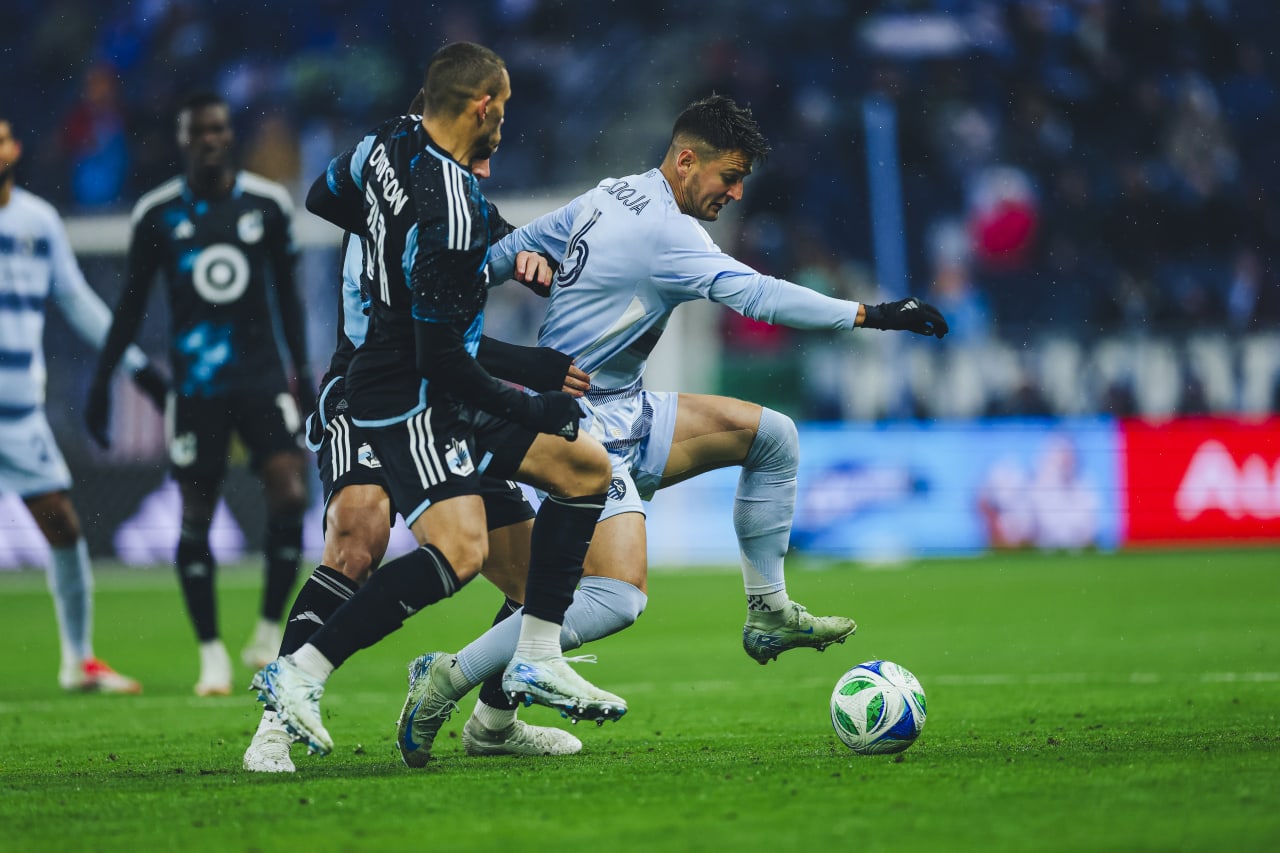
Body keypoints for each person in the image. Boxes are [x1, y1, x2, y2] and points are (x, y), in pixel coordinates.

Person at [395, 94, 950, 762]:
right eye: (729, 176)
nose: (737, 192)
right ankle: (446, 676)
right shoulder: (670, 235)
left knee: (773, 437)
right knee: (615, 596)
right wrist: (876, 313)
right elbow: (763, 297)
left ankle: (766, 609)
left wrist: (473, 287)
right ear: (687, 160)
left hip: (626, 407)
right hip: (575, 425)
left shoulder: (609, 194)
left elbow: (510, 250)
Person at [249, 42, 626, 759]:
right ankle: (294, 682)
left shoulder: (390, 143)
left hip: (426, 370)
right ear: (481, 106)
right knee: (414, 541)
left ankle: (511, 696)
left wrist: (406, 245)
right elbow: (442, 354)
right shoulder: (448, 214)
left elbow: (328, 196)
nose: (504, 130)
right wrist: (533, 401)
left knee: (579, 480)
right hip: (402, 385)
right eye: (503, 112)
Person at [87, 92, 313, 697]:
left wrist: (305, 373)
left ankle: (267, 630)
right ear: (184, 141)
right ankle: (211, 654)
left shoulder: (265, 205)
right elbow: (130, 308)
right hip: (196, 391)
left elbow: (288, 299)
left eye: (218, 130)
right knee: (196, 517)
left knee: (290, 496)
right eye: (198, 133)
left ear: (228, 135)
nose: (210, 140)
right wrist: (101, 381)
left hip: (263, 379)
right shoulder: (158, 214)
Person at [0, 115, 166, 693]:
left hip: (19, 416)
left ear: (15, 147)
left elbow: (77, 303)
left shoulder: (38, 221)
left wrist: (137, 367)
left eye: (0, 137)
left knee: (63, 525)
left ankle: (78, 660)